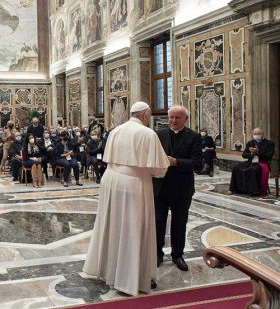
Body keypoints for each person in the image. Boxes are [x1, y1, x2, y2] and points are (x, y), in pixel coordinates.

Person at [83, 101, 169, 295]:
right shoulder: (148, 134)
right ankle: (131, 278)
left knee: (111, 225)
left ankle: (108, 270)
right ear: (146, 115)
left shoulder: (115, 131)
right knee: (133, 229)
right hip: (133, 183)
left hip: (111, 180)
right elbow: (159, 169)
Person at [153, 105, 202, 272]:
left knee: (179, 223)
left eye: (177, 118)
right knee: (158, 222)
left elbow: (197, 164)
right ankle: (157, 254)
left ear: (185, 119)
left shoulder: (193, 137)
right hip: (160, 188)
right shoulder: (158, 135)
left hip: (182, 188)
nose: (173, 121)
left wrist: (176, 162)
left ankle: (177, 254)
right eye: (171, 117)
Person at [230, 128, 275, 197]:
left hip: (262, 162)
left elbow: (268, 156)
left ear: (262, 134)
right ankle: (238, 189)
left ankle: (253, 191)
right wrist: (252, 154)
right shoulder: (250, 143)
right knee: (236, 168)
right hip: (250, 162)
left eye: (258, 134)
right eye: (255, 134)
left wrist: (257, 152)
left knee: (253, 170)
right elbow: (244, 155)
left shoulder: (269, 143)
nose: (256, 135)